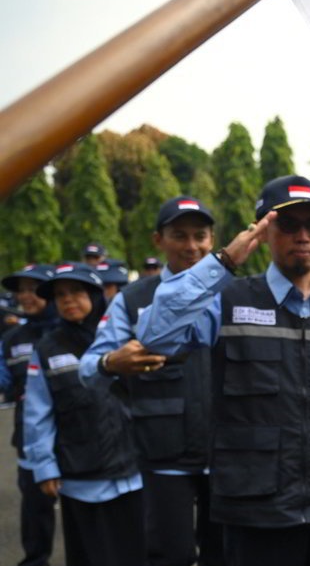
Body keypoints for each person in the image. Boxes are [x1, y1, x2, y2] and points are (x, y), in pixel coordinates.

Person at [135, 176, 310, 566]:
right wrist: (223, 262)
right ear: (264, 232)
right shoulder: (228, 299)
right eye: (288, 224)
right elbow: (156, 334)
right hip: (255, 507)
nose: (303, 235)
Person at [80, 196, 224, 566]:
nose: (191, 247)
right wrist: (112, 362)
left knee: (225, 555)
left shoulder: (233, 294)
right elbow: (88, 368)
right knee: (168, 557)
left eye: (200, 236)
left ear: (213, 239)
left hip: (227, 457)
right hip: (162, 459)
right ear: (158, 240)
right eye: (179, 235)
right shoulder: (132, 300)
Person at [23, 262, 146, 566]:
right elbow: (37, 413)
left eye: (77, 292)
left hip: (135, 473)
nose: (68, 300)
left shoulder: (124, 340)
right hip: (82, 481)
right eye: (60, 294)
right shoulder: (47, 348)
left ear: (96, 295)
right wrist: (44, 467)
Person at [0, 264, 60, 566]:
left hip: (77, 438)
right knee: (36, 511)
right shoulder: (12, 339)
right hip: (30, 438)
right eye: (20, 290)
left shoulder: (72, 330)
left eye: (33, 289)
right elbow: (4, 381)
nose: (25, 296)